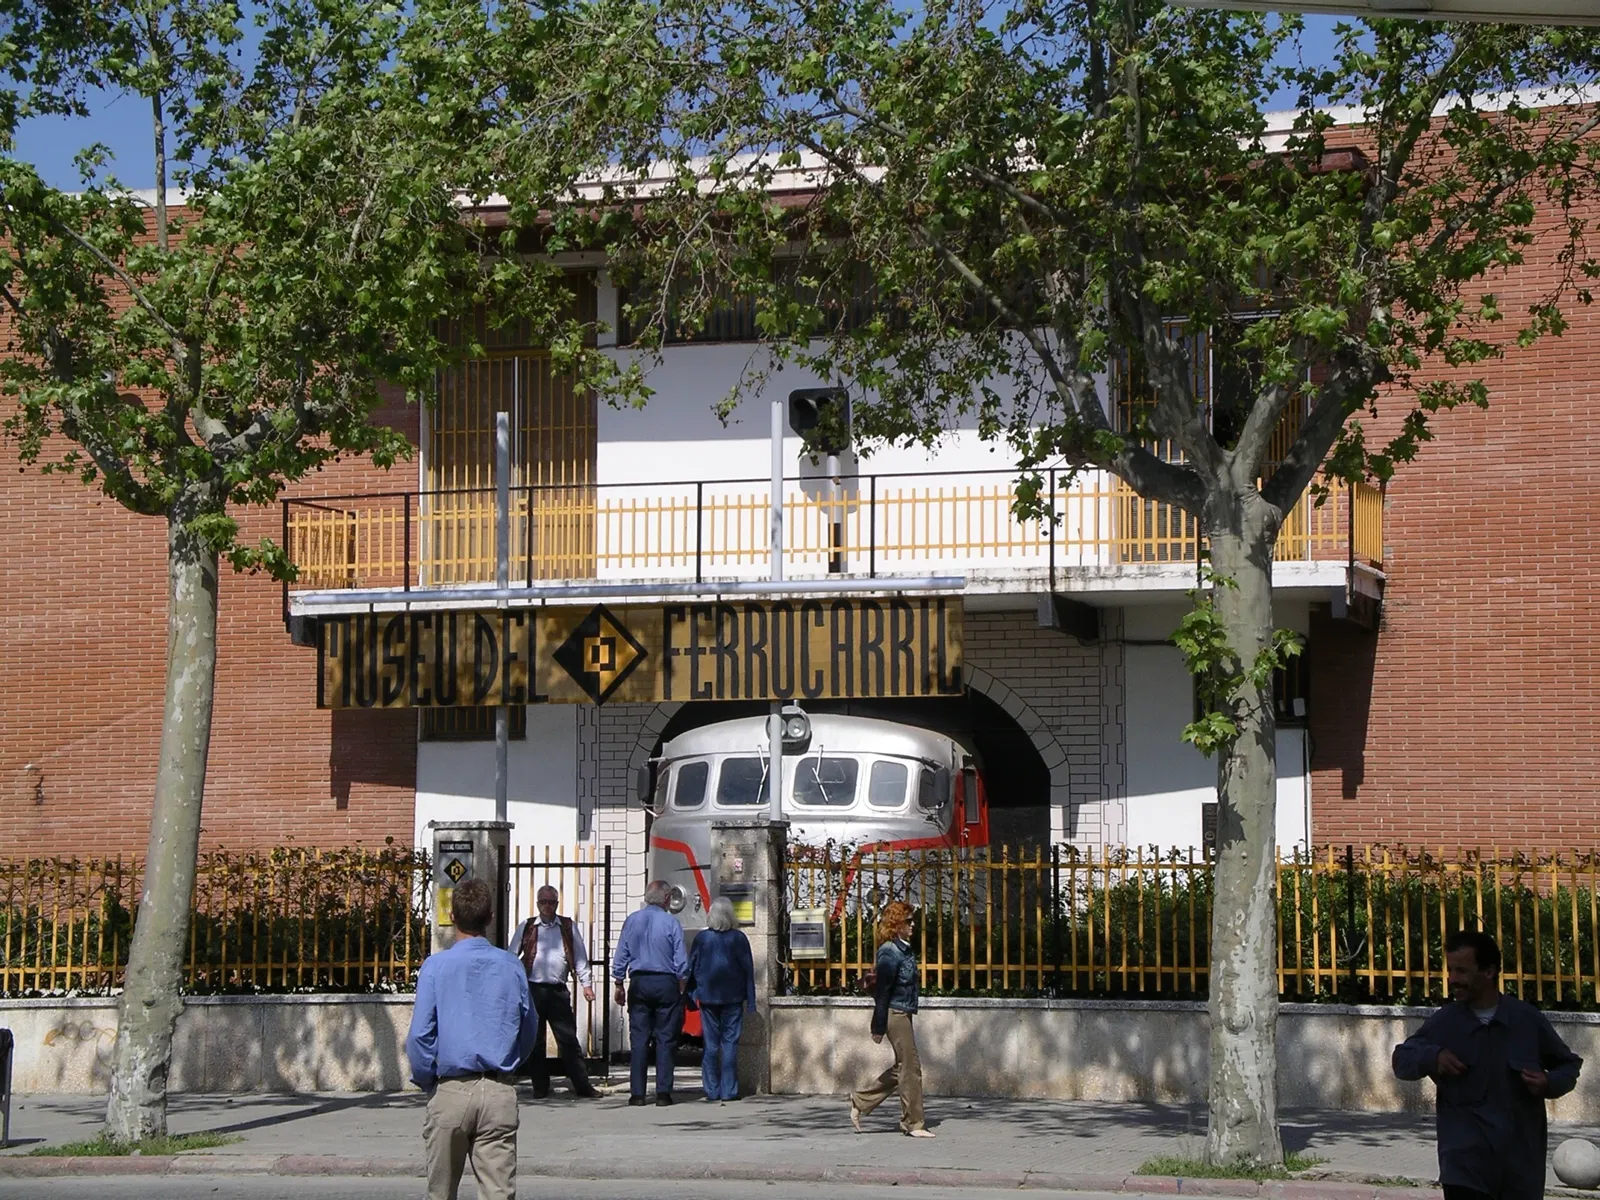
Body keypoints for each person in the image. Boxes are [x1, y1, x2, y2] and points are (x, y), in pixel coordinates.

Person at [1392, 929, 1582, 1200]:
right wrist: (1432, 1058)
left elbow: (1569, 1065)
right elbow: (1401, 1060)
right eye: (1451, 970)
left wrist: (1548, 1083)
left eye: (1462, 971)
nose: (1453, 980)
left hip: (1520, 1172)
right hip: (1465, 1170)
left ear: (1490, 971)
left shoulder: (1526, 1021)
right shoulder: (1445, 1024)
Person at [405, 878, 539, 1200]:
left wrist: (427, 1079)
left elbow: (420, 1035)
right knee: (498, 1193)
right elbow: (530, 1026)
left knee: (440, 1192)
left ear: (452, 916)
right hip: (497, 1089)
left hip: (451, 1088)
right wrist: (510, 1063)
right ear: (490, 917)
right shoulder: (511, 965)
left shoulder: (436, 966)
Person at [849, 900, 934, 1138]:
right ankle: (913, 1124)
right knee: (911, 1069)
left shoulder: (905, 949)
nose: (912, 925)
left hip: (904, 1012)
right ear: (896, 925)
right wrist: (877, 1026)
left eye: (912, 920)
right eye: (908, 921)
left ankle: (860, 1102)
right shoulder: (889, 951)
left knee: (903, 1068)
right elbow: (883, 992)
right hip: (894, 1014)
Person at [507, 885, 600, 1099]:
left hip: (557, 991)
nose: (547, 906)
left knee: (568, 1040)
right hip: (533, 990)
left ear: (557, 904)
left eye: (551, 902)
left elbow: (579, 957)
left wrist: (586, 984)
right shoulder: (528, 927)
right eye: (543, 902)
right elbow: (512, 956)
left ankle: (582, 1086)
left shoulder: (567, 927)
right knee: (535, 1042)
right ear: (537, 904)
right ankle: (540, 1086)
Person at [613, 879, 688, 1106]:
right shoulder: (671, 923)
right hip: (665, 982)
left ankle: (637, 1094)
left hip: (639, 982)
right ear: (666, 899)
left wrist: (618, 981)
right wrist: (681, 981)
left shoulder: (632, 921)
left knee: (639, 1039)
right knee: (666, 1038)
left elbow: (621, 954)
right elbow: (681, 960)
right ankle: (663, 1093)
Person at [687, 896, 757, 1102]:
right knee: (730, 1043)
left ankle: (711, 1089)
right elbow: (748, 971)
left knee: (710, 1044)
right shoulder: (739, 938)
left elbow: (692, 967)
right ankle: (729, 1090)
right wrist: (751, 1000)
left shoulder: (702, 939)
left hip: (708, 998)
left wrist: (690, 995)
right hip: (733, 998)